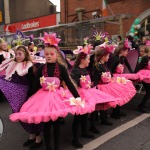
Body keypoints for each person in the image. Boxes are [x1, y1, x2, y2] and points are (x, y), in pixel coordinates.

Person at [10, 32, 87, 150]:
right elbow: (35, 85)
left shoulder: (61, 68)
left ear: (57, 55)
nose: (49, 56)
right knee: (46, 125)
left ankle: (56, 147)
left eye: (51, 54)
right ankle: (48, 147)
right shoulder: (41, 68)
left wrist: (77, 96)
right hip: (43, 98)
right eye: (46, 54)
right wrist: (28, 98)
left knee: (56, 124)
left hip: (57, 98)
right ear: (44, 55)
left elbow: (69, 83)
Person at [71, 45, 118, 148]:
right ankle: (74, 139)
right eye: (88, 59)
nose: (90, 61)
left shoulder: (85, 70)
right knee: (78, 117)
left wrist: (91, 84)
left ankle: (84, 132)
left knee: (85, 115)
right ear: (82, 60)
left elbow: (88, 81)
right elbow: (74, 85)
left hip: (88, 93)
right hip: (80, 95)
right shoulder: (75, 71)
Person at [0, 45, 43, 149]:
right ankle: (31, 136)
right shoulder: (12, 63)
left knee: (31, 117)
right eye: (16, 54)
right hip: (19, 96)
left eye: (20, 54)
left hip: (29, 95)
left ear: (26, 54)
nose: (18, 56)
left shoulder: (30, 66)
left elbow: (34, 82)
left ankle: (38, 138)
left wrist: (31, 96)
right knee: (22, 117)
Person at [93, 43, 136, 119]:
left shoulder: (121, 58)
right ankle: (108, 115)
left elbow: (109, 69)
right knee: (109, 98)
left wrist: (111, 77)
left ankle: (115, 113)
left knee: (118, 93)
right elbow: (110, 69)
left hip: (111, 79)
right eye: (126, 51)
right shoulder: (114, 59)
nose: (127, 53)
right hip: (106, 82)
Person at [135, 44, 150, 112]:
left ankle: (141, 106)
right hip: (145, 77)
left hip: (148, 76)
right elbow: (139, 67)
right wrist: (134, 75)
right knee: (149, 92)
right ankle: (141, 106)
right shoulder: (145, 58)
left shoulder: (148, 57)